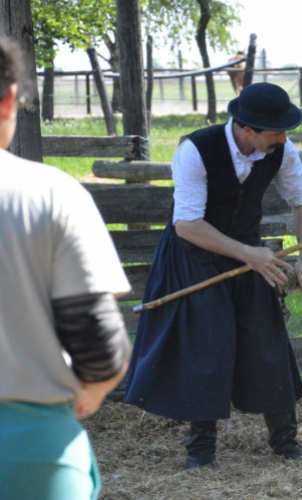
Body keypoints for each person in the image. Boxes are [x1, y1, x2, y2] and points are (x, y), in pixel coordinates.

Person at [124, 82, 302, 468]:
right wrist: (249, 255)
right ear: (247, 128)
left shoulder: (281, 150)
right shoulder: (195, 150)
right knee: (205, 348)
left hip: (249, 253)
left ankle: (286, 445)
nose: (282, 138)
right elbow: (188, 226)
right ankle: (201, 454)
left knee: (267, 342)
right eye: (275, 131)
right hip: (194, 256)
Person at [0, 37, 132, 499]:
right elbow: (98, 344)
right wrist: (94, 391)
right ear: (10, 98)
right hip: (30, 452)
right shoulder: (52, 194)